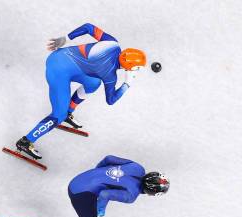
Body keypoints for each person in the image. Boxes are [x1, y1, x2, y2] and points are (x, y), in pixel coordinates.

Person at [16, 23, 146, 160]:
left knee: (94, 83)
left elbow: (89, 27)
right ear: (130, 67)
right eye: (137, 67)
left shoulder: (112, 43)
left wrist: (65, 38)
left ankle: (68, 112)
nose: (138, 70)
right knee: (58, 114)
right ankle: (26, 141)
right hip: (58, 70)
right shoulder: (110, 76)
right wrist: (127, 83)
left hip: (63, 58)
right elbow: (111, 100)